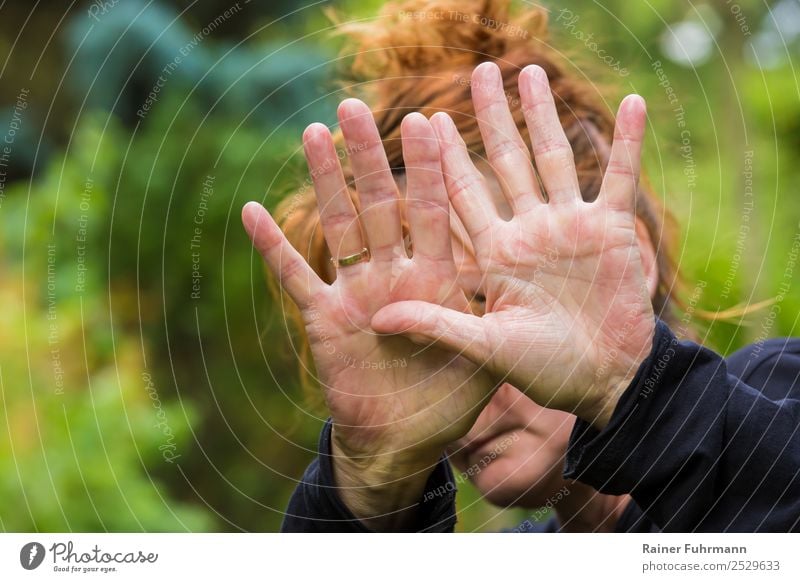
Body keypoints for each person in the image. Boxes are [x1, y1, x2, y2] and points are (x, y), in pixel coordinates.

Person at [241, 0, 800, 532]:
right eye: (417, 345)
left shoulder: (781, 394)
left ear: (634, 257)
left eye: (486, 301)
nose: (459, 372)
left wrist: (630, 388)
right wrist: (369, 487)